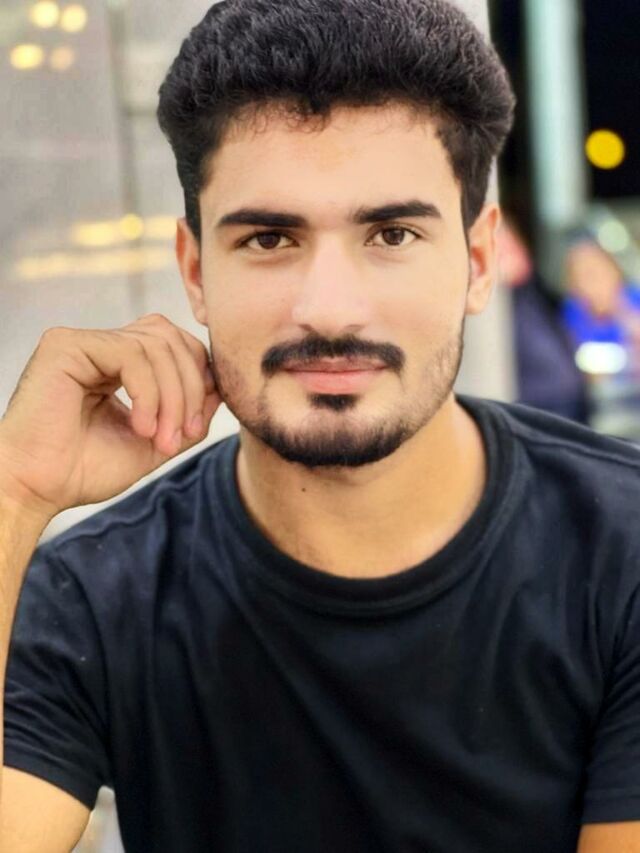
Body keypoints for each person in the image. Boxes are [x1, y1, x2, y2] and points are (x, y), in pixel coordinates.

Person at [0, 1, 639, 851]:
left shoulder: (624, 549)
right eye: (270, 239)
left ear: (479, 260)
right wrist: (12, 492)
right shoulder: (91, 595)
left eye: (392, 233)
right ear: (195, 271)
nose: (330, 308)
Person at [497, 217, 592, 423]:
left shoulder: (538, 292)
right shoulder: (494, 308)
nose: (512, 249)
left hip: (573, 404)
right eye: (500, 245)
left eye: (512, 240)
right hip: (538, 411)